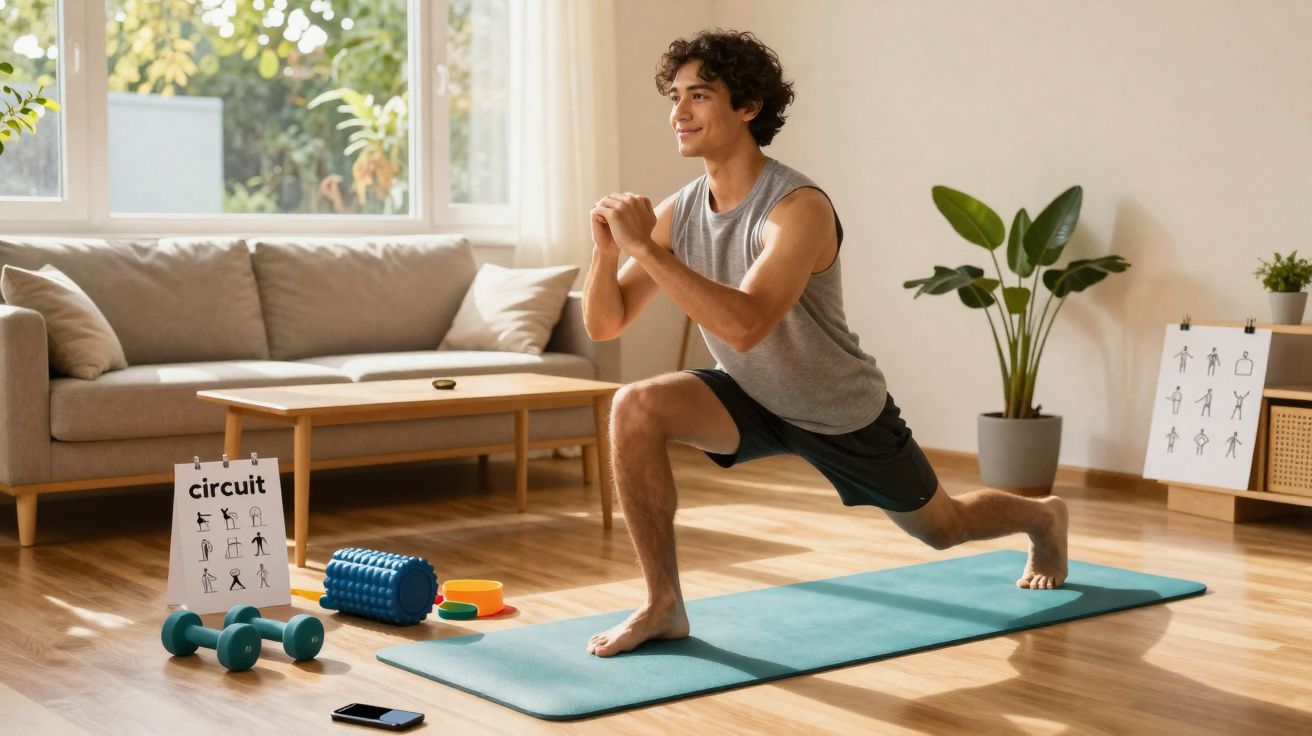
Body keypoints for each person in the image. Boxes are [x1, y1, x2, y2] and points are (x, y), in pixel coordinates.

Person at [582, 30, 1069, 658]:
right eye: (675, 96)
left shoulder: (797, 207)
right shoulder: (682, 210)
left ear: (748, 106)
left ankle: (1043, 516)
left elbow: (747, 324)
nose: (679, 112)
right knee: (635, 406)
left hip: (838, 408)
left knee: (944, 528)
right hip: (751, 393)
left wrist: (645, 248)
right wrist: (605, 255)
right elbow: (606, 323)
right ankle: (663, 604)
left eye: (699, 95)